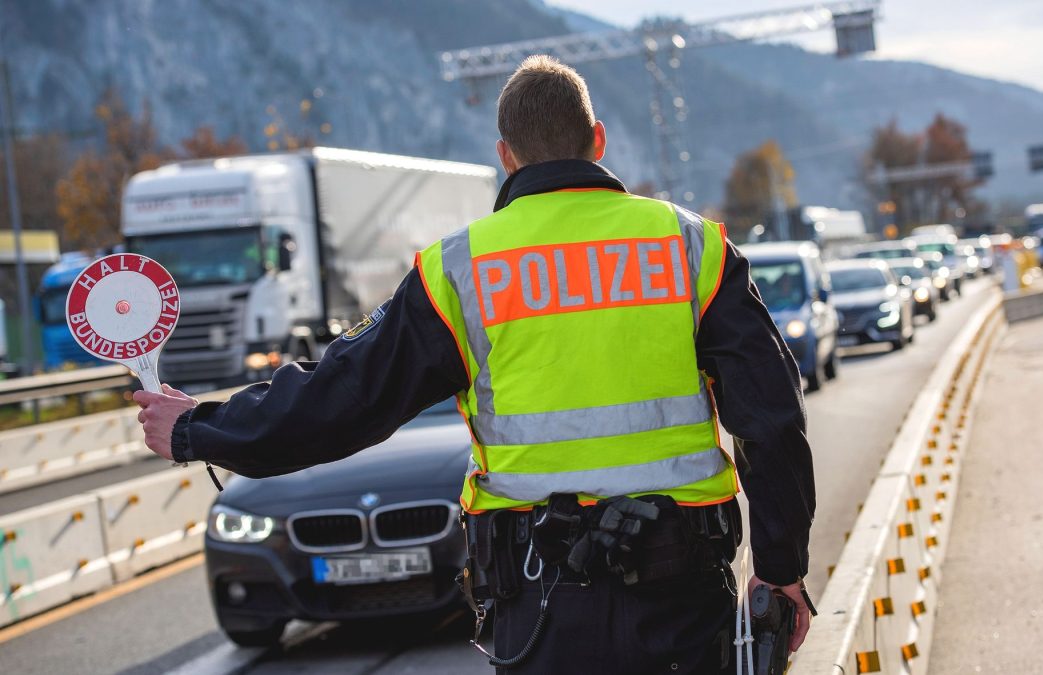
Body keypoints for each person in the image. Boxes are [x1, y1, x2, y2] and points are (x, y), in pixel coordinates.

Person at [135, 55, 815, 674]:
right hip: (681, 599)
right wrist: (781, 567)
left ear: (506, 156)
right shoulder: (691, 246)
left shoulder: (459, 270)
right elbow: (773, 416)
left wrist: (200, 426)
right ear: (598, 140)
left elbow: (343, 395)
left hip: (540, 603)